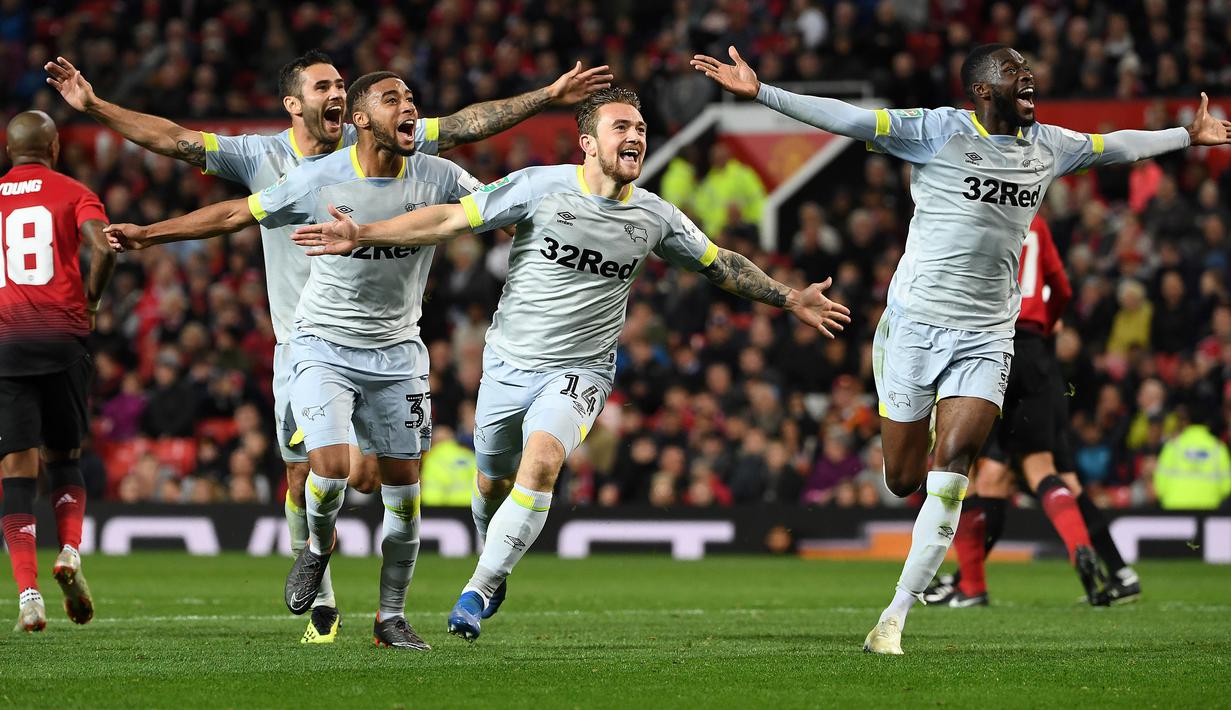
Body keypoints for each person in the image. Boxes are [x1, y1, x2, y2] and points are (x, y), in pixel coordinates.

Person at [46, 50, 611, 644]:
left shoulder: (420, 156)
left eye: (345, 84)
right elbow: (188, 152)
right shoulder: (271, 159)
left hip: (395, 349)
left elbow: (477, 133)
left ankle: (390, 613)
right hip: (307, 341)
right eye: (325, 86)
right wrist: (106, 129)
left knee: (385, 485)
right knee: (315, 475)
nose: (340, 94)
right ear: (296, 103)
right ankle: (322, 592)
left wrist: (546, 99)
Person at [691, 43, 1231, 655]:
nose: (1026, 74)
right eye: (1011, 70)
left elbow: (1115, 147)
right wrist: (762, 92)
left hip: (989, 335)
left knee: (953, 471)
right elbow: (847, 117)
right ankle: (907, 454)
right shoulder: (936, 131)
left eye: (1028, 66)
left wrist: (1186, 136)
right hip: (914, 327)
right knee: (902, 480)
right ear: (980, 90)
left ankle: (893, 619)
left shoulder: (1048, 146)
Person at [291, 87, 852, 643]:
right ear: (588, 142)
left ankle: (481, 586)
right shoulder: (539, 187)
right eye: (621, 128)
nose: (634, 137)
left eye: (640, 129)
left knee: (543, 461)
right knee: (492, 483)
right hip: (507, 365)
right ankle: (494, 548)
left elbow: (719, 262)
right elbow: (448, 221)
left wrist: (787, 297)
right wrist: (361, 232)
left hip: (580, 371)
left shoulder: (656, 217)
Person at [104, 71, 486, 651]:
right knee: (327, 468)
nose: (409, 107)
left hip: (399, 351)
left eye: (412, 99)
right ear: (362, 119)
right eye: (393, 100)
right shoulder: (316, 179)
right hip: (322, 343)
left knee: (404, 496)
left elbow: (507, 200)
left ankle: (391, 618)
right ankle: (316, 549)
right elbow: (235, 213)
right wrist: (150, 235)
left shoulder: (442, 176)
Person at [924, 216, 1139, 608]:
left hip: (992, 346)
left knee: (971, 469)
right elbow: (1062, 288)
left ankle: (970, 585)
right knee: (1040, 471)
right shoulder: (1036, 222)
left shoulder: (976, 210)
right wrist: (1047, 325)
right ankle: (1086, 554)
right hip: (1039, 355)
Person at [0, 111, 116, 632]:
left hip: (7, 346)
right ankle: (69, 552)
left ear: (9, 151)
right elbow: (103, 244)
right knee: (65, 459)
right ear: (53, 147)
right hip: (64, 340)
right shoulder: (73, 191)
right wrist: (91, 298)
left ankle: (28, 598)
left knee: (16, 473)